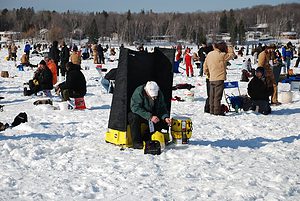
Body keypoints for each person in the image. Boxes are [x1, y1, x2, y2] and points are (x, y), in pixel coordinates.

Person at [128, 81, 171, 149]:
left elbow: (162, 108)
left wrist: (165, 117)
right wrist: (149, 116)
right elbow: (135, 107)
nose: (154, 98)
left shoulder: (159, 93)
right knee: (133, 117)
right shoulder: (139, 92)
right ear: (147, 92)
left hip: (153, 114)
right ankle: (137, 143)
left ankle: (147, 138)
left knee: (160, 122)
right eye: (152, 97)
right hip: (141, 114)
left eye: (155, 97)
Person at [204, 42, 236, 115]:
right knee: (217, 97)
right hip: (219, 78)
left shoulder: (209, 54)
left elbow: (205, 66)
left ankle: (211, 110)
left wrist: (208, 74)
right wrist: (229, 47)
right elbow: (232, 55)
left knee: (211, 96)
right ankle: (216, 111)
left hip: (211, 78)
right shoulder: (222, 55)